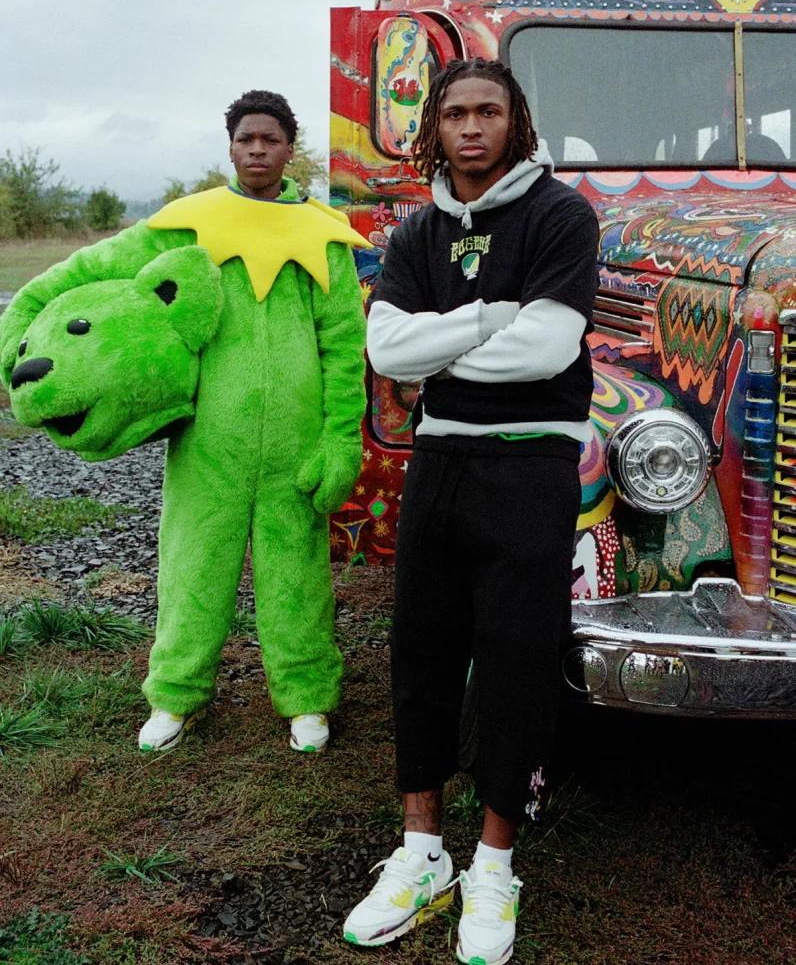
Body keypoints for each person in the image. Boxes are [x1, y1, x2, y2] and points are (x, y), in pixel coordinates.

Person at [0, 90, 368, 755]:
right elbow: (83, 269)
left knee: (298, 577)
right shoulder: (187, 223)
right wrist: (19, 325)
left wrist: (340, 437)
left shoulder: (323, 235)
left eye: (271, 139)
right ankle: (174, 694)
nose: (257, 149)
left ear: (291, 148)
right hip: (207, 445)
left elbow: (343, 346)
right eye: (245, 139)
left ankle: (307, 697)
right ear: (230, 146)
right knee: (192, 569)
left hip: (295, 443)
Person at [343, 60, 598, 965]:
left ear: (516, 121)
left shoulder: (559, 216)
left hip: (531, 462)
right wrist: (492, 315)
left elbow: (548, 347)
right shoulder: (416, 231)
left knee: (519, 658)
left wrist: (445, 339)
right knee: (421, 648)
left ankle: (494, 863)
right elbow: (386, 345)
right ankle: (421, 854)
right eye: (455, 113)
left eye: (489, 110)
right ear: (435, 126)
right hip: (441, 458)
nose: (472, 127)